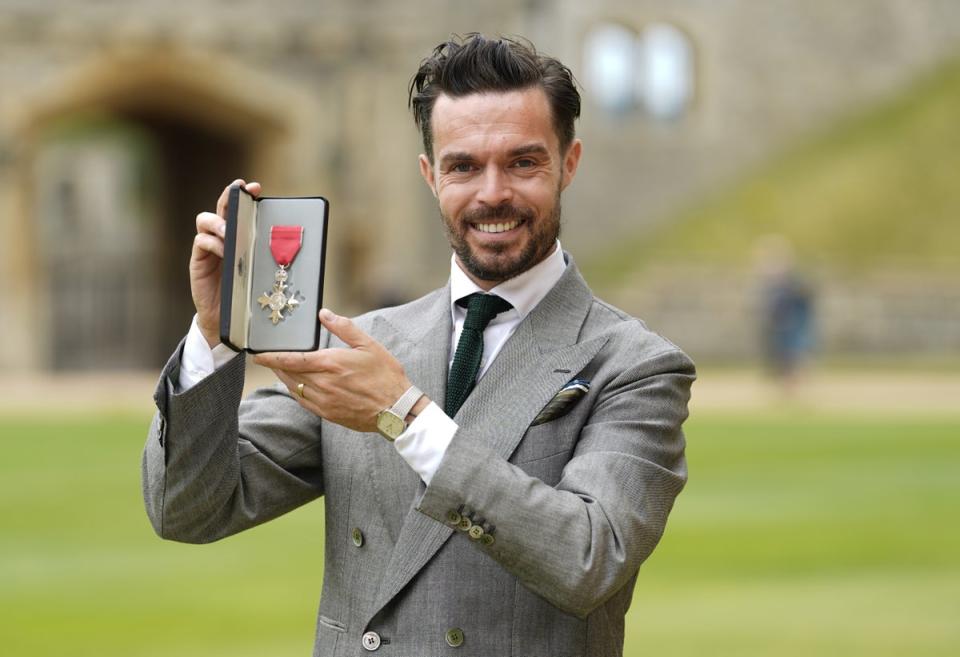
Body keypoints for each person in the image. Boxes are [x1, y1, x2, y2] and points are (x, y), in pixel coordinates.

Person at [142, 34, 695, 657]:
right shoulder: (369, 345)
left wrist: (404, 414)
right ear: (431, 176)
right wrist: (213, 338)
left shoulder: (636, 364)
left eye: (522, 162)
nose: (492, 194)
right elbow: (186, 510)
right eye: (463, 166)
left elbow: (588, 558)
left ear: (568, 163)